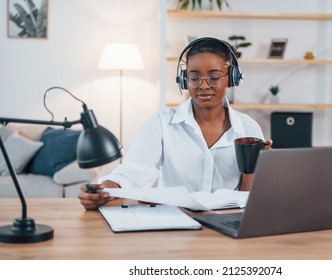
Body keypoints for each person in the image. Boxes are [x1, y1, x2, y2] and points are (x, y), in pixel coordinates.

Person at [78, 37, 272, 210]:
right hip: (175, 224)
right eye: (194, 78)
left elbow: (248, 201)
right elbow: (132, 173)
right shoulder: (161, 124)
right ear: (183, 80)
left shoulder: (248, 129)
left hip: (229, 226)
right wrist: (100, 191)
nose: (203, 86)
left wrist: (258, 166)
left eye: (214, 77)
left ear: (232, 78)